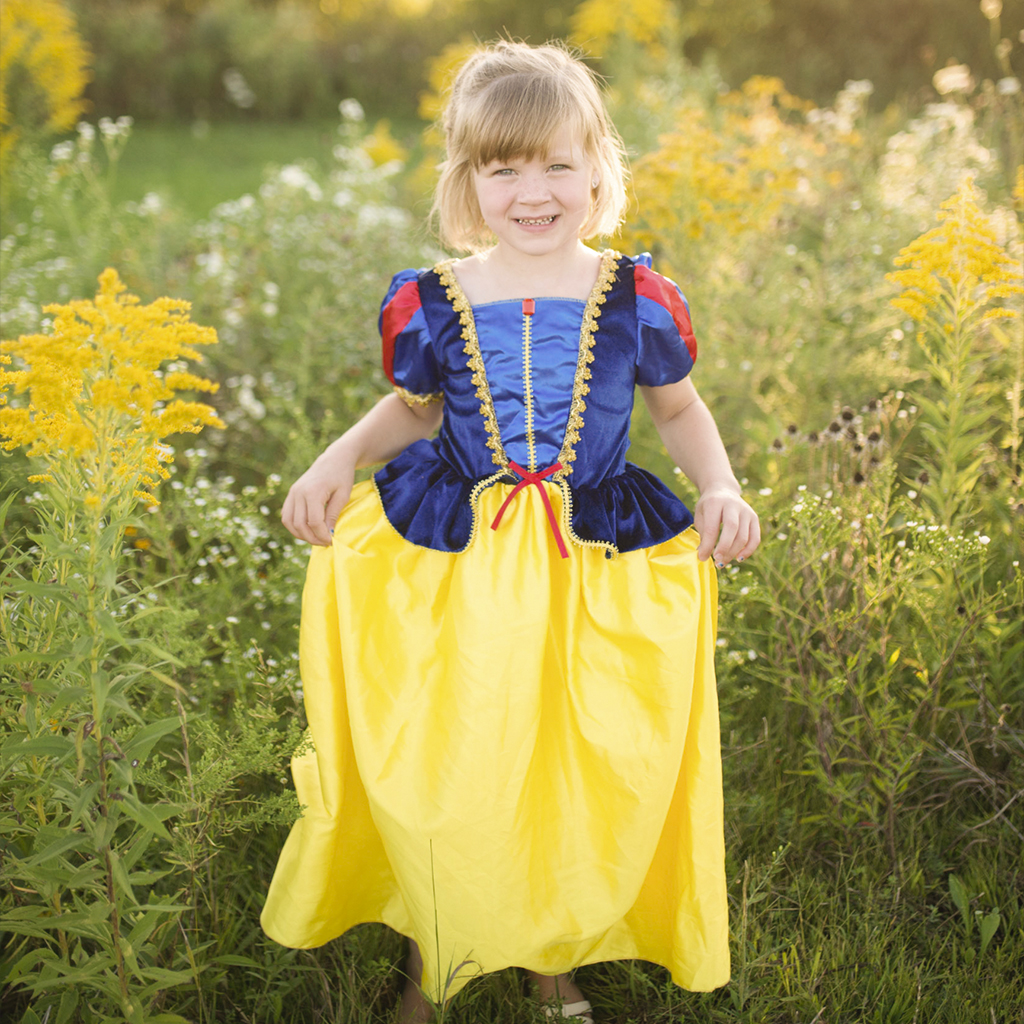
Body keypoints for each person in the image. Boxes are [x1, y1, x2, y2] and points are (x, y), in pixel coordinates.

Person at [260, 39, 760, 1024]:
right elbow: (413, 407)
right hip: (461, 566)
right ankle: (434, 961)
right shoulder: (438, 297)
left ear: (598, 170)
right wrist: (335, 457)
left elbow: (677, 410)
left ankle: (554, 962)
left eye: (556, 165)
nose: (533, 192)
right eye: (503, 168)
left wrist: (721, 487)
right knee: (454, 760)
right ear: (467, 180)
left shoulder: (634, 297)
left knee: (579, 764)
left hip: (590, 564)